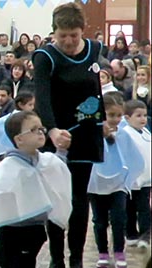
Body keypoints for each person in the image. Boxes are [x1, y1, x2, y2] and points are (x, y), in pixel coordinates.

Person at [32, 3, 106, 267]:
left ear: (82, 31)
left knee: (79, 199)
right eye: (62, 35)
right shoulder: (45, 57)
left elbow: (97, 87)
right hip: (58, 136)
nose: (68, 40)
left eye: (74, 35)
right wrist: (51, 130)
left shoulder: (95, 50)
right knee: (58, 198)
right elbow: (41, 98)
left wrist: (105, 120)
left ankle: (76, 258)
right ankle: (57, 258)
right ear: (54, 32)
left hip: (87, 134)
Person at [0, 111, 72, 268]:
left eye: (41, 128)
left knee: (28, 262)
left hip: (36, 228)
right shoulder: (10, 165)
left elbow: (58, 168)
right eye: (33, 129)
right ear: (19, 139)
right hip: (12, 230)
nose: (40, 132)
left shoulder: (44, 160)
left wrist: (62, 150)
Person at [87, 93, 142, 267]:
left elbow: (134, 158)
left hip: (118, 185)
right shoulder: (93, 135)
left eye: (119, 115)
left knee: (119, 219)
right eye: (111, 115)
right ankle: (103, 251)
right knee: (100, 221)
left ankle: (119, 251)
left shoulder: (124, 135)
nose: (116, 119)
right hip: (96, 186)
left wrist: (129, 179)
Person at [122, 100, 151, 249]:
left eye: (145, 115)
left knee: (144, 208)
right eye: (138, 116)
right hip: (130, 180)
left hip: (146, 179)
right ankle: (131, 234)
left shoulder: (146, 132)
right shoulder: (126, 133)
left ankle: (145, 235)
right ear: (127, 118)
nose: (143, 119)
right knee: (130, 208)